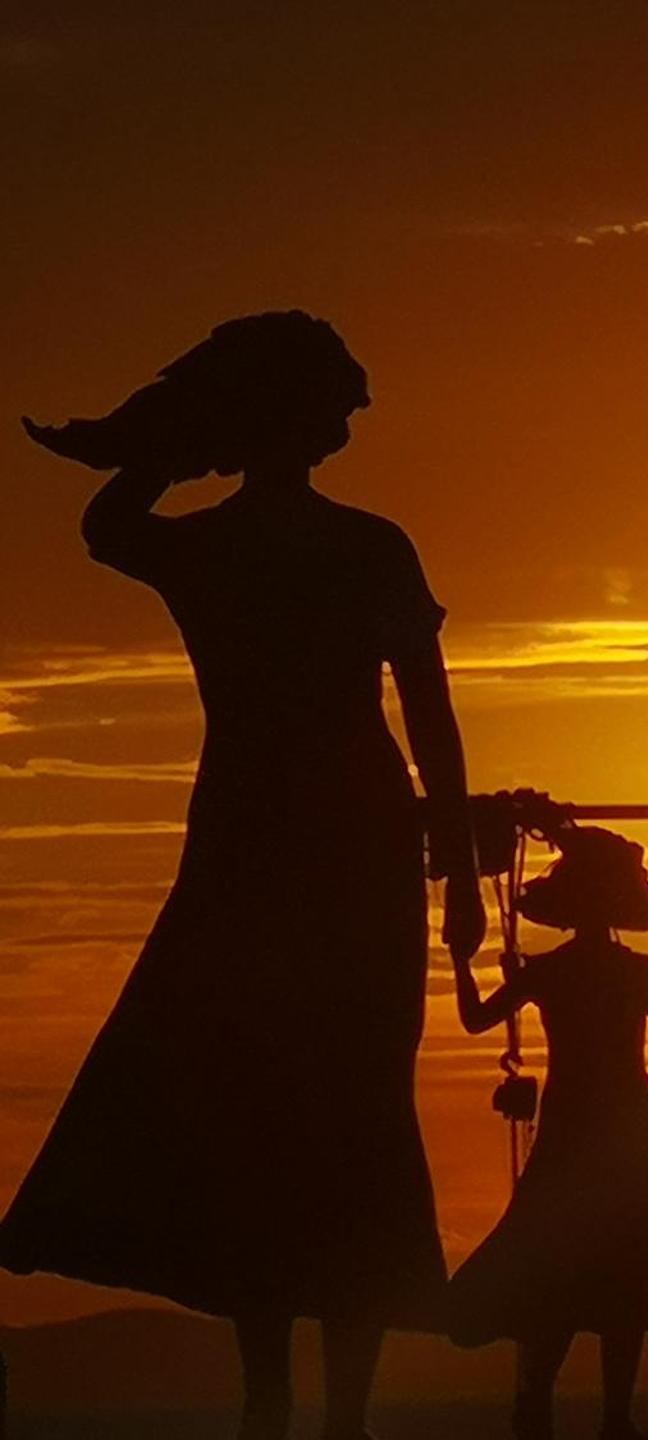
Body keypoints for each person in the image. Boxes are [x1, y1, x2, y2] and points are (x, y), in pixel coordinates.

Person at [1, 312, 486, 1440]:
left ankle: (301, 1409)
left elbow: (108, 521)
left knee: (319, 1120)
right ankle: (311, 1412)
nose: (350, 416)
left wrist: (170, 441)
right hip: (301, 850)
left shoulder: (253, 547)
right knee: (296, 1121)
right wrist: (453, 870)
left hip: (297, 846)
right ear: (293, 417)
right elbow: (433, 725)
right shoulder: (357, 547)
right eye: (328, 399)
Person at [446, 825, 648, 1440]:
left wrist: (461, 961)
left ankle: (578, 1410)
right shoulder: (618, 973)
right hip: (614, 1129)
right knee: (583, 1267)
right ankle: (588, 1412)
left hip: (605, 1129)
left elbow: (475, 1017)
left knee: (602, 1268)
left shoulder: (562, 972)